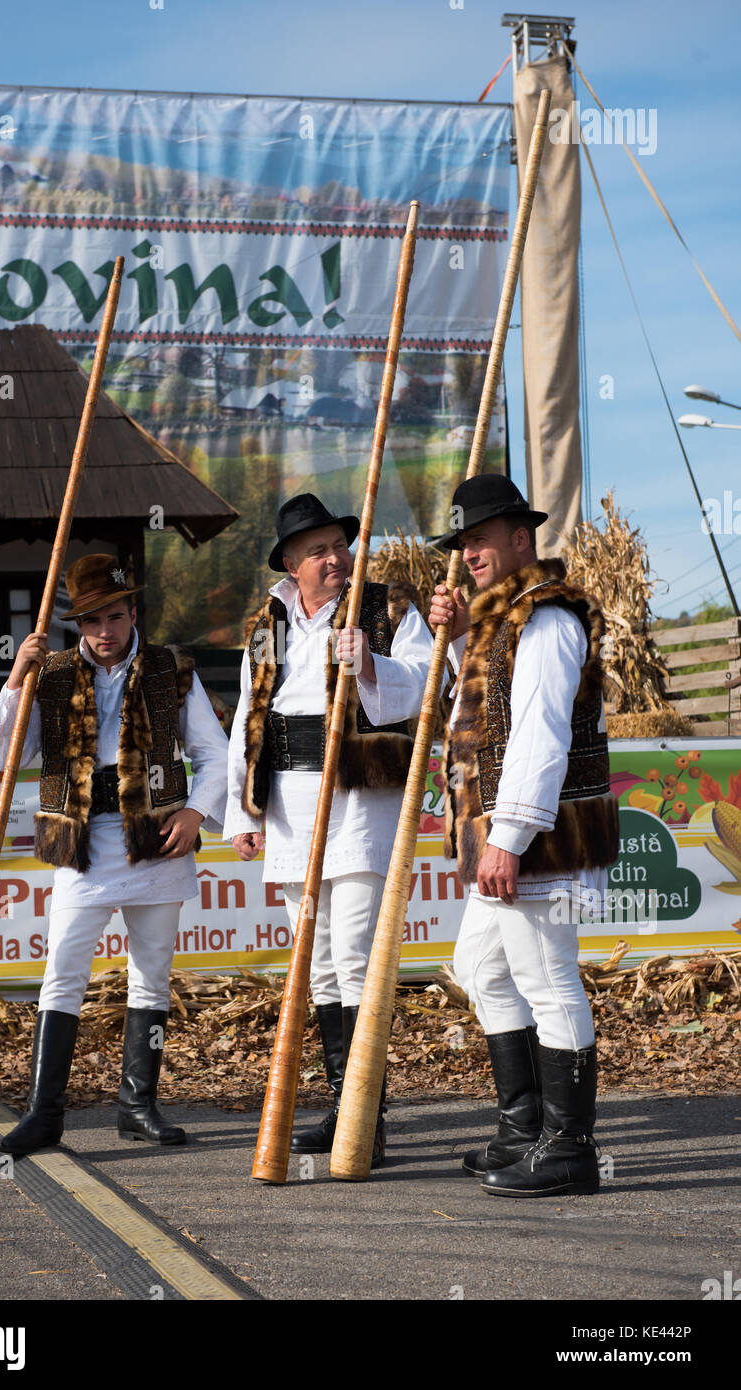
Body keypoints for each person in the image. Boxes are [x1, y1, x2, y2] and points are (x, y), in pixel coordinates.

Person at [0, 555, 229, 1156]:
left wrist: (196, 813)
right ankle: (45, 1114)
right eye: (91, 621)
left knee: (151, 974)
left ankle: (137, 1105)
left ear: (133, 612)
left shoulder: (173, 670)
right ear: (76, 626)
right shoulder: (55, 673)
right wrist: (18, 678)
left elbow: (217, 754)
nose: (105, 631)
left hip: (158, 838)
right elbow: (0, 754)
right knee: (63, 974)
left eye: (114, 617)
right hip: (82, 842)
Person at [224, 493, 436, 1166]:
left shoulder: (387, 606)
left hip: (359, 804)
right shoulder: (269, 622)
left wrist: (369, 665)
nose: (333, 558)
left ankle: (363, 1123)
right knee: (315, 968)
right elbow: (247, 718)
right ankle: (346, 1107)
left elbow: (432, 681)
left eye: (339, 545)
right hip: (289, 804)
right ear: (290, 562)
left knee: (353, 959)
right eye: (316, 550)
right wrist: (241, 812)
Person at [430, 475, 618, 1198]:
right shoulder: (500, 623)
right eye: (463, 542)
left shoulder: (543, 621)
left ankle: (568, 1149)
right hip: (509, 839)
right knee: (482, 969)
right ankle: (523, 1129)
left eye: (481, 538)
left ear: (520, 537)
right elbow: (479, 715)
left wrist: (507, 839)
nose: (470, 552)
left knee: (546, 978)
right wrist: (453, 643)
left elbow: (537, 739)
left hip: (543, 838)